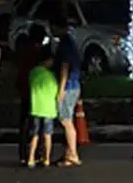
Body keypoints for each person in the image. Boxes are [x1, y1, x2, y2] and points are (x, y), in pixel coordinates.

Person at [51, 14, 82, 167]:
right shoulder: (69, 42)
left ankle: (73, 154)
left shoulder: (65, 44)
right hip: (74, 85)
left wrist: (61, 89)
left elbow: (65, 67)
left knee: (66, 121)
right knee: (67, 120)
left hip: (68, 86)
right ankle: (68, 153)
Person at [16, 24, 47, 165]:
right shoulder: (38, 53)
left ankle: (23, 153)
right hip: (37, 91)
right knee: (37, 125)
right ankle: (38, 153)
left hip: (25, 89)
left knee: (25, 124)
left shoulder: (24, 51)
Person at [26, 46, 57, 169]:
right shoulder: (51, 76)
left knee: (35, 134)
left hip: (36, 108)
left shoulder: (33, 73)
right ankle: (46, 159)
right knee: (47, 135)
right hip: (48, 109)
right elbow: (55, 90)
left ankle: (31, 158)